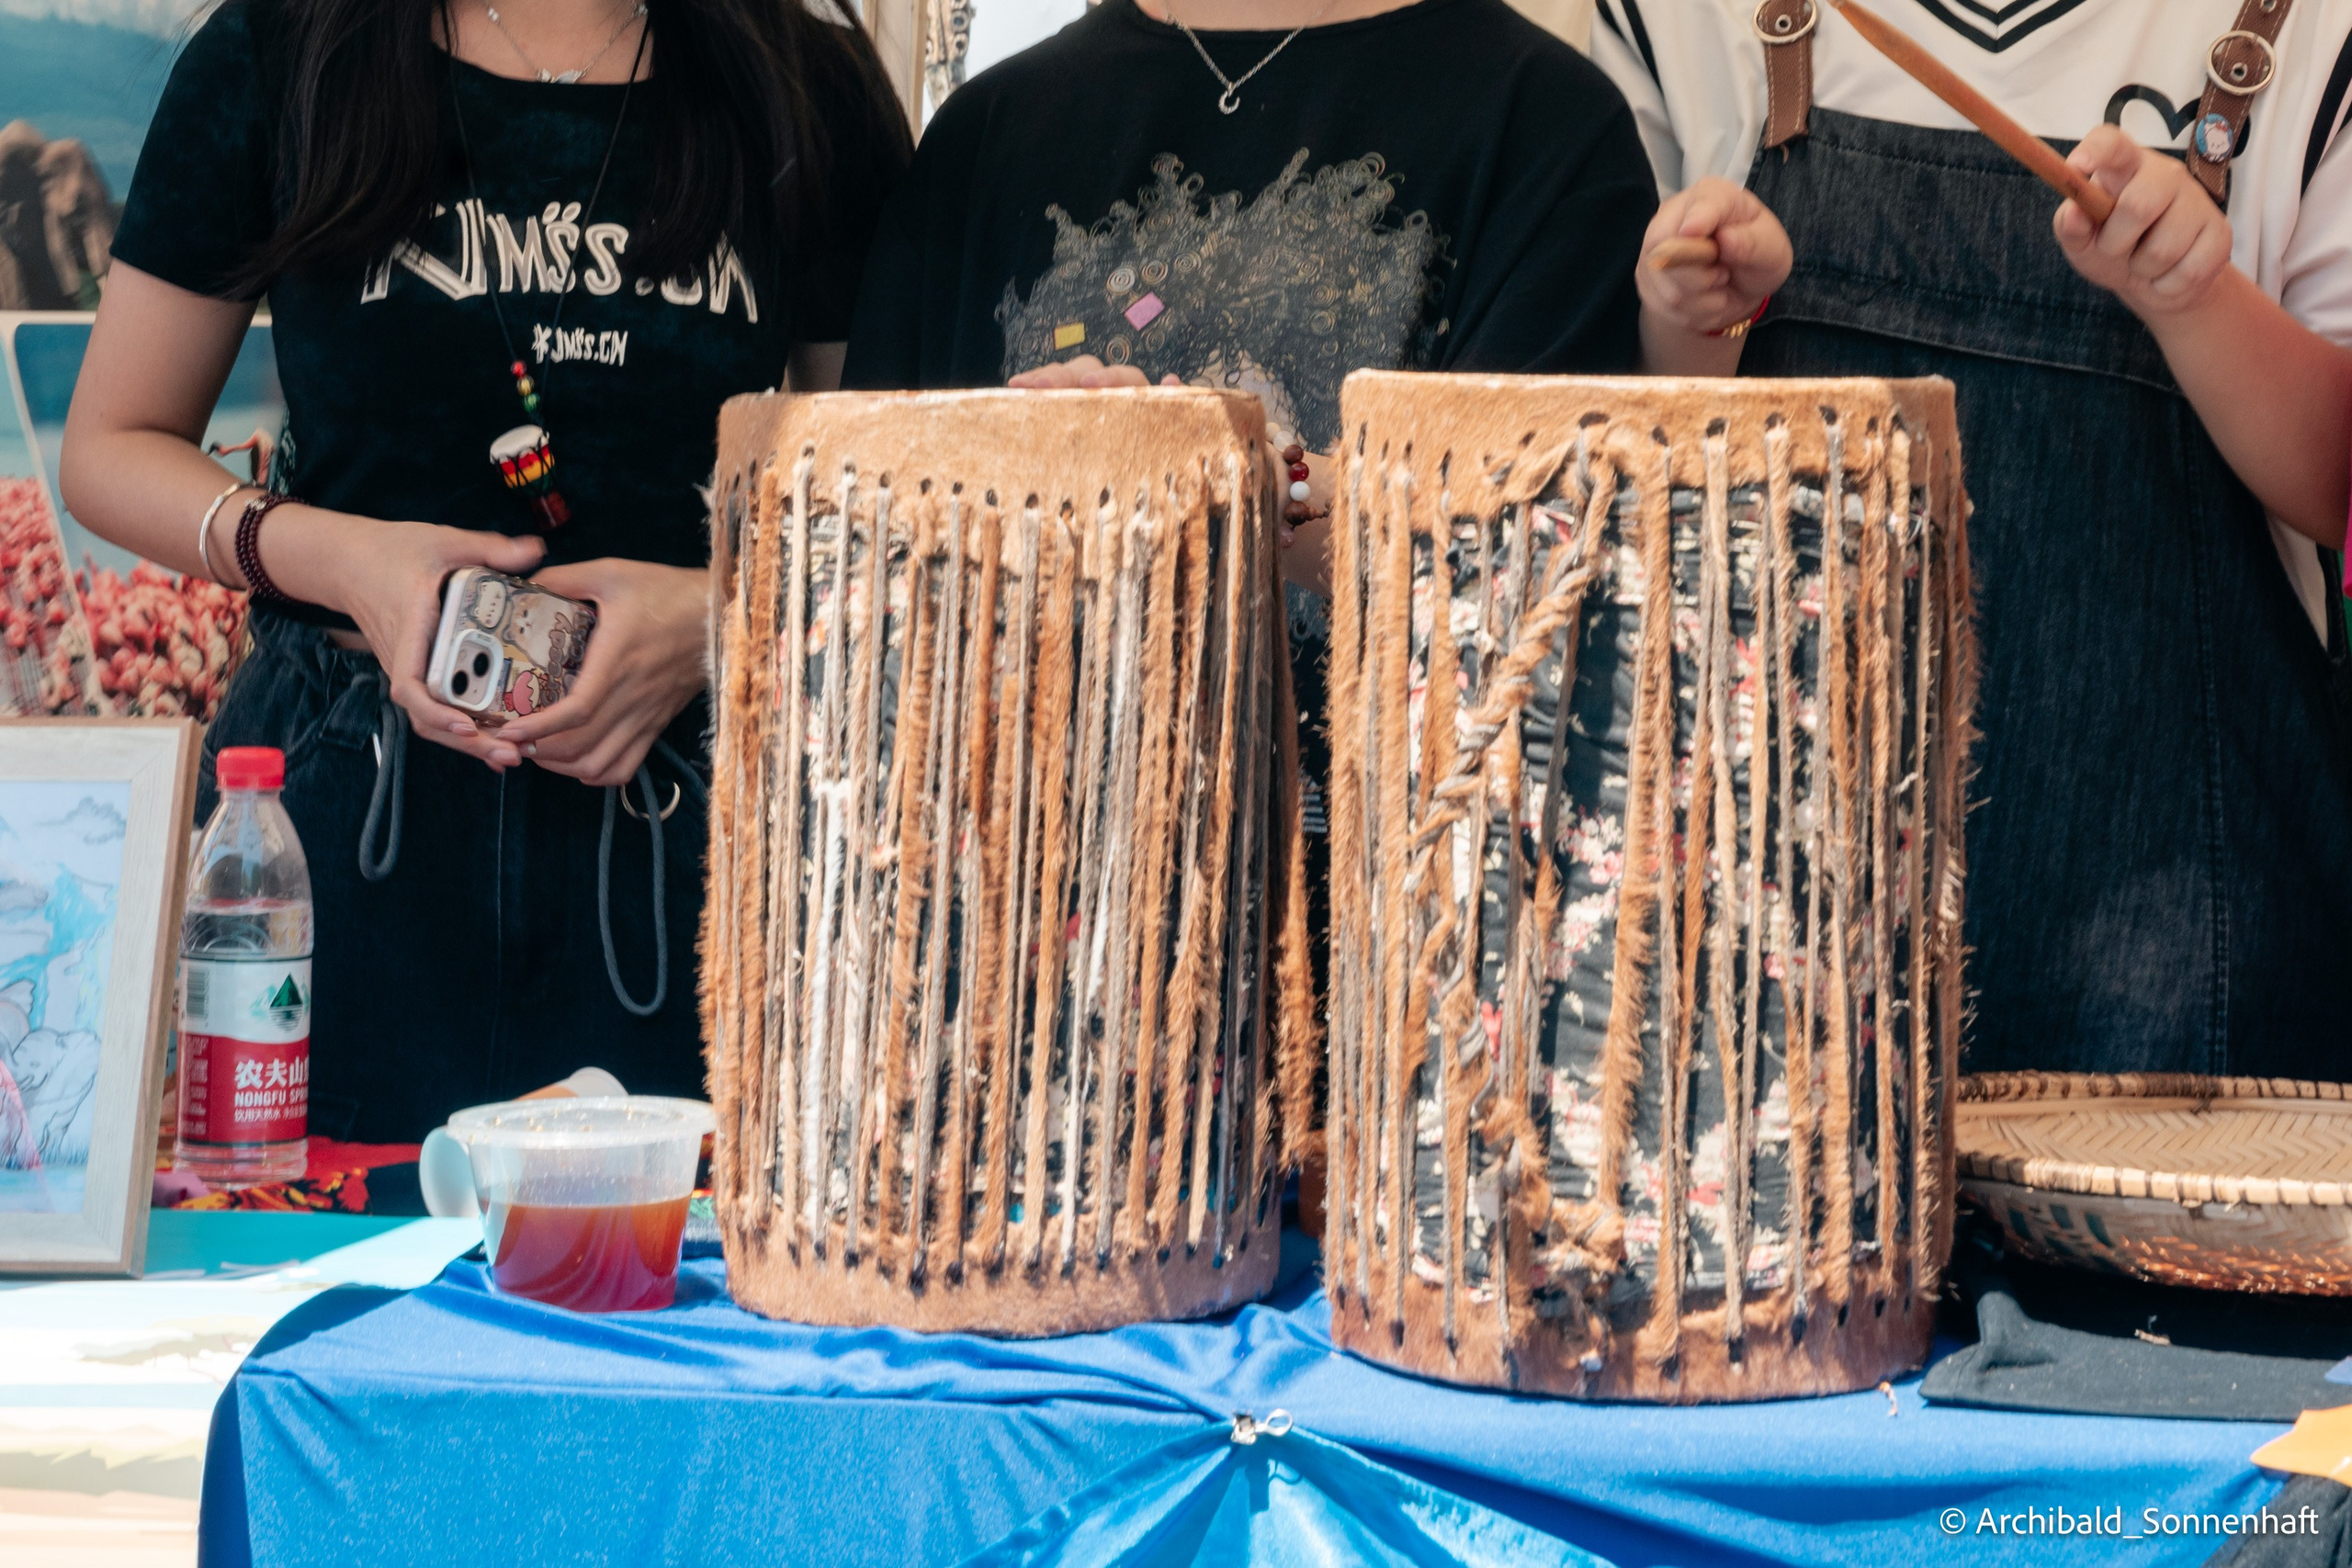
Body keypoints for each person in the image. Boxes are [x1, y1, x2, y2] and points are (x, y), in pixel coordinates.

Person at [61, 0, 910, 1141]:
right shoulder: (284, 49)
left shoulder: (801, 78)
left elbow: (902, 494)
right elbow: (111, 447)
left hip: (691, 830)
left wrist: (724, 616)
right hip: (347, 812)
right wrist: (343, 558)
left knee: (681, 1292)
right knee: (316, 1276)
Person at [1593, 0, 2352, 1077]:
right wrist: (1690, 322)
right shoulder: (1678, 21)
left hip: (2189, 1011)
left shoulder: (2312, 28)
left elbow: (2336, 485)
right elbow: (1612, 474)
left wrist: (2197, 303)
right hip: (1765, 983)